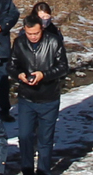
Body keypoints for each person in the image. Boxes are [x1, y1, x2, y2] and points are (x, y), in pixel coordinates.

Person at [10, 16, 68, 175]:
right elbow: (11, 65)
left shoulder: (54, 41)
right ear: (24, 30)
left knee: (45, 139)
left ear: (41, 29)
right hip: (26, 97)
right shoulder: (19, 42)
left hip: (48, 98)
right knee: (24, 136)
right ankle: (27, 169)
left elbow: (63, 67)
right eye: (29, 33)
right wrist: (19, 75)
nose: (33, 37)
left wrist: (44, 75)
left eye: (36, 33)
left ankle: (43, 170)